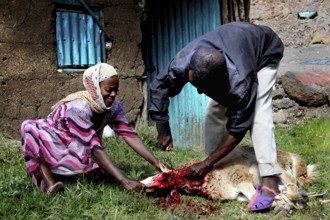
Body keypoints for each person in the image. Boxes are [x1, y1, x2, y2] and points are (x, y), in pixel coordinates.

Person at [148, 22, 284, 211]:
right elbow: (158, 87)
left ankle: (270, 182)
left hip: (264, 51)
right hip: (232, 45)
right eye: (196, 85)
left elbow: (238, 129)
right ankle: (216, 171)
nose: (200, 93)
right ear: (190, 71)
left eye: (205, 87)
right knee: (213, 112)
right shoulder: (183, 63)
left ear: (223, 78)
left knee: (258, 115)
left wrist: (205, 162)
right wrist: (163, 128)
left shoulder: (241, 81)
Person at [21, 63, 170, 195]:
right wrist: (124, 180)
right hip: (55, 141)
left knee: (97, 172)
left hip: (79, 143)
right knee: (31, 130)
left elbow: (129, 134)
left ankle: (71, 171)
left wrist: (156, 162)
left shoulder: (113, 107)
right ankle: (51, 185)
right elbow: (94, 147)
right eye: (108, 90)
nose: (113, 95)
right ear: (95, 87)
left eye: (116, 90)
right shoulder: (78, 107)